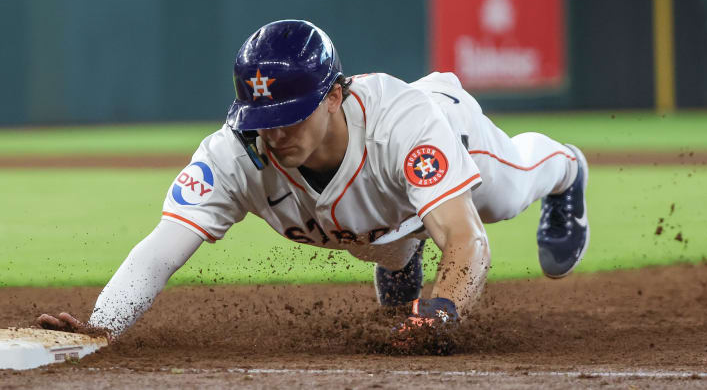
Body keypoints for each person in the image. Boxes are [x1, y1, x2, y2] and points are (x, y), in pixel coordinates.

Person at [38, 19, 589, 341]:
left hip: (451, 130)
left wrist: (442, 310)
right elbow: (161, 250)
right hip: (380, 209)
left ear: (334, 94)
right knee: (359, 222)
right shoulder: (234, 153)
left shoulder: (405, 125)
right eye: (262, 120)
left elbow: (467, 241)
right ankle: (399, 256)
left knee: (507, 197)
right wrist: (101, 326)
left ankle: (567, 169)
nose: (274, 133)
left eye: (289, 114)